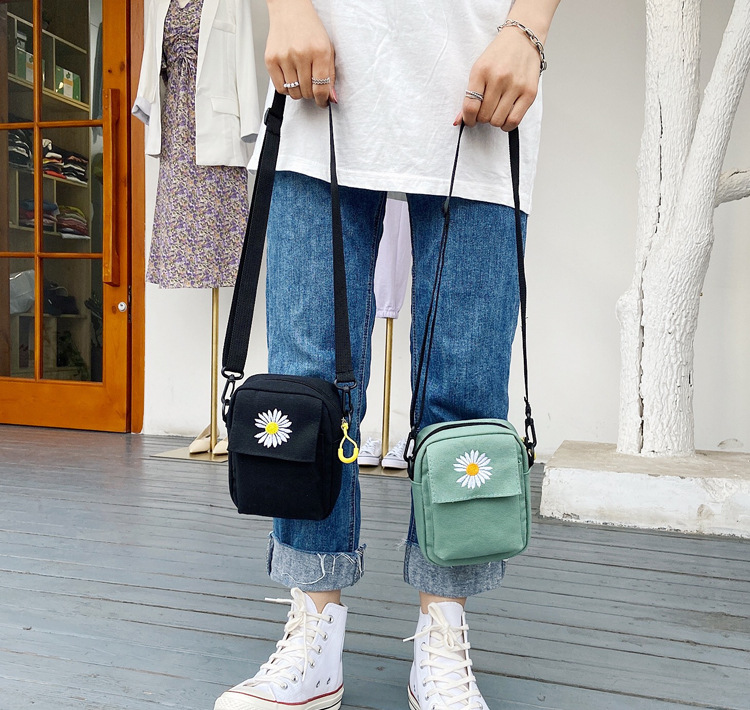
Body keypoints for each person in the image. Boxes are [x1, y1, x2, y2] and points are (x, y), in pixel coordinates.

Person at [215, 1, 561, 708]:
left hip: (481, 75)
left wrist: (528, 28)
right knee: (305, 395)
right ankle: (314, 633)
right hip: (320, 77)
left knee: (464, 397)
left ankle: (443, 629)